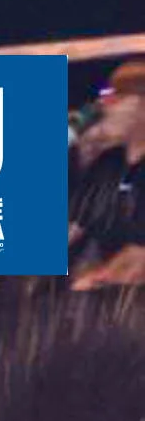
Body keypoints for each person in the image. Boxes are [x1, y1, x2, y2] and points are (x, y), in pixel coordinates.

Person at [72, 62, 145, 292]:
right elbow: (74, 226)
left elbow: (139, 257)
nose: (106, 108)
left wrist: (99, 277)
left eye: (118, 98)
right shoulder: (108, 163)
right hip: (104, 303)